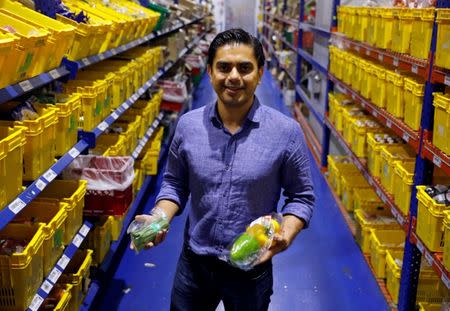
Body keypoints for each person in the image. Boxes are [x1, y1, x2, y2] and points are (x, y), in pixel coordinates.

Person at [133, 28, 315, 311]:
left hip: (251, 267)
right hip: (194, 265)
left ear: (260, 74)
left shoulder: (286, 133)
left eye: (244, 68)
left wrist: (286, 235)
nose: (233, 77)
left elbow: (301, 197)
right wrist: (159, 217)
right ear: (210, 72)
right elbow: (174, 184)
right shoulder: (188, 126)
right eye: (224, 67)